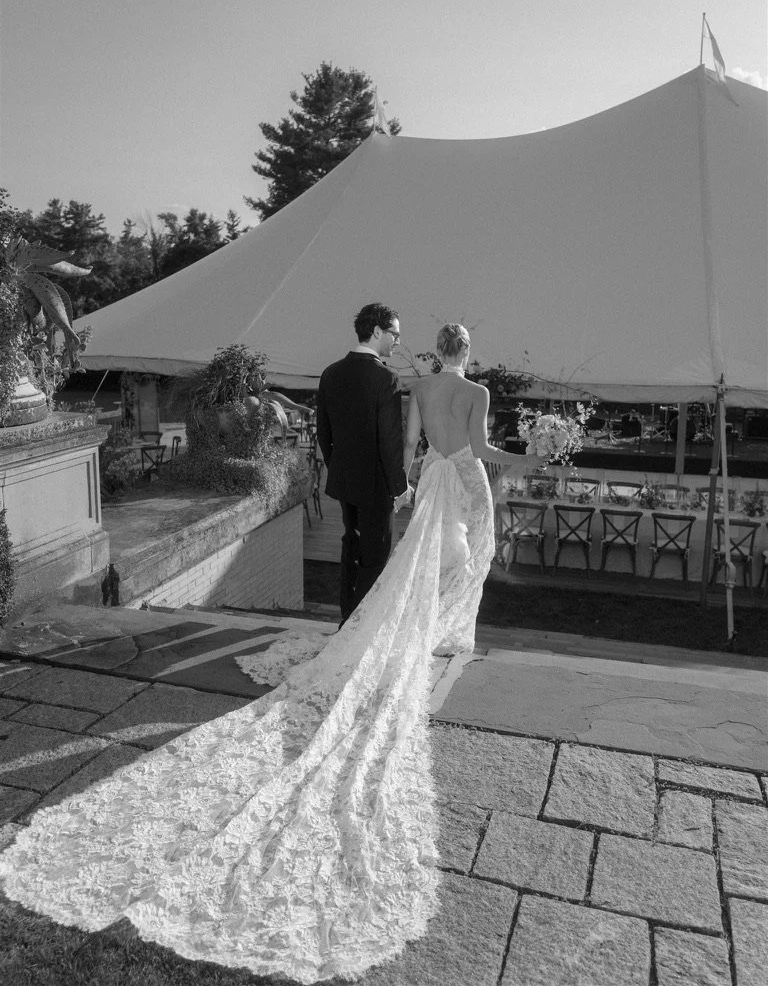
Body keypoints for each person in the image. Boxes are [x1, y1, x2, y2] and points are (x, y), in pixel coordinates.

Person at [0, 323, 541, 986]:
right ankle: (446, 631)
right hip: (465, 478)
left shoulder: (416, 385)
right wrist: (529, 460)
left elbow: (406, 442)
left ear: (438, 346)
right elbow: (481, 447)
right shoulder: (475, 389)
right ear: (469, 350)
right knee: (466, 556)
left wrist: (401, 483)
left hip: (429, 476)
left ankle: (424, 626)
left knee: (422, 559)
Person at [316, 302, 412, 625]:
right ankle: (357, 630)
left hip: (345, 483)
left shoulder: (330, 374)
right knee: (376, 557)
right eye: (394, 334)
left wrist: (340, 467)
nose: (397, 341)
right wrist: (399, 487)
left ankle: (346, 618)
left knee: (351, 548)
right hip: (375, 487)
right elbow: (390, 441)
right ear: (376, 332)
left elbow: (322, 434)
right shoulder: (387, 378)